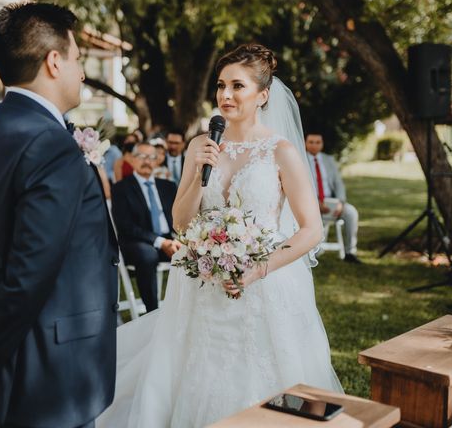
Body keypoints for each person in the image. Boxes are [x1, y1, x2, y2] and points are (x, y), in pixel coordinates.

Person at [98, 44, 341, 427]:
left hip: (265, 283)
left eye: (237, 86)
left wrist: (259, 268)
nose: (225, 95)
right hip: (200, 285)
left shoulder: (281, 152)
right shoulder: (201, 145)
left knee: (275, 378)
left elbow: (311, 229)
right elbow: (181, 221)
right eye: (221, 85)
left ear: (263, 95)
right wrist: (196, 173)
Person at [0, 2, 119, 428]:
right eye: (77, 59)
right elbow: (29, 271)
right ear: (54, 62)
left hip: (9, 371)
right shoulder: (49, 144)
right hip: (48, 375)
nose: (82, 73)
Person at [111, 142, 180, 312]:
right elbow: (125, 226)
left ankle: (182, 309)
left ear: (157, 162)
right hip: (137, 243)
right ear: (132, 160)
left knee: (191, 252)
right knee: (147, 255)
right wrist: (160, 242)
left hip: (168, 239)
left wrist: (178, 239)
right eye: (142, 156)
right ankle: (153, 312)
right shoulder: (121, 188)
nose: (147, 161)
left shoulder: (168, 187)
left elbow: (179, 218)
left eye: (151, 157)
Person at [305, 130, 361, 263]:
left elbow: (338, 183)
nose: (314, 145)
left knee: (351, 212)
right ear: (305, 143)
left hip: (332, 201)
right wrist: (316, 202)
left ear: (322, 144)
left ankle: (349, 252)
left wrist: (340, 202)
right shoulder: (300, 159)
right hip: (310, 202)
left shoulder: (328, 160)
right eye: (311, 142)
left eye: (318, 142)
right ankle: (314, 249)